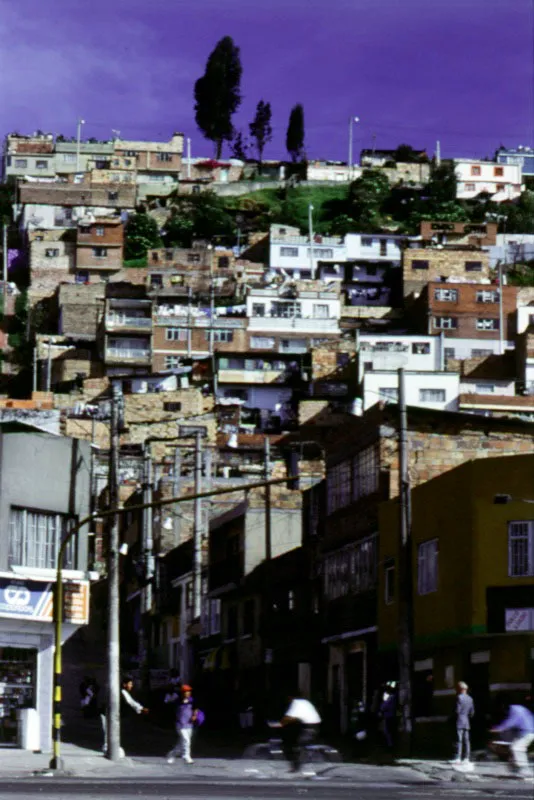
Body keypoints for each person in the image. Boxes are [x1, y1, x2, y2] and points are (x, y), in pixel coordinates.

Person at [270, 690, 321, 775]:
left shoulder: (296, 703)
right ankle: (301, 761)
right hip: (314, 726)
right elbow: (295, 718)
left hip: (309, 727)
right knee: (297, 741)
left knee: (291, 745)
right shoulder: (305, 702)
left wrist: (279, 724)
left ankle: (296, 766)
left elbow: (289, 717)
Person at [101, 675, 149, 756]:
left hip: (111, 714)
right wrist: (141, 709)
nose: (131, 686)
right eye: (130, 684)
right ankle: (108, 750)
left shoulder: (123, 691)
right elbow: (131, 702)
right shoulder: (122, 691)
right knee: (108, 731)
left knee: (110, 731)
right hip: (107, 714)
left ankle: (110, 749)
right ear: (124, 684)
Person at [490, 697, 534, 780]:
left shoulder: (515, 710)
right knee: (515, 747)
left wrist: (499, 728)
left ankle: (524, 768)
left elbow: (511, 721)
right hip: (527, 731)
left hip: (527, 732)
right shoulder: (519, 708)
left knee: (516, 748)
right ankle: (516, 767)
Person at [166, 684, 198, 765]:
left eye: (189, 691)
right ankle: (186, 756)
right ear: (182, 693)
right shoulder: (177, 701)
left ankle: (172, 754)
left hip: (189, 724)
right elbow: (172, 709)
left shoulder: (192, 700)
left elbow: (195, 708)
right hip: (180, 724)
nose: (188, 693)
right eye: (186, 692)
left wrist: (194, 715)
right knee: (186, 740)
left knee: (181, 743)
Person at [451, 681, 475, 769]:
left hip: (459, 720)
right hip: (466, 721)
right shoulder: (470, 698)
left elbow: (457, 710)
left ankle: (458, 757)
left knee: (459, 740)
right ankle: (466, 758)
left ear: (459, 689)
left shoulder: (459, 698)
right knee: (466, 740)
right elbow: (472, 713)